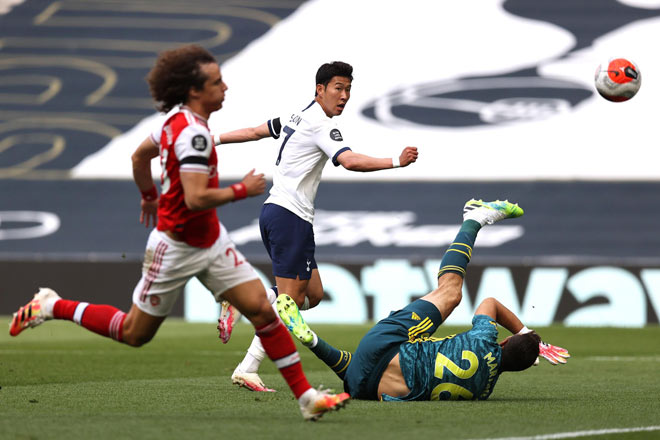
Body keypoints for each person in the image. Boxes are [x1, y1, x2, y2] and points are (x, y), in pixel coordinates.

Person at [8, 44, 349, 421]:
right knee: (133, 332)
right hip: (176, 245)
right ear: (194, 91)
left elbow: (139, 156)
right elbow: (196, 197)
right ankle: (52, 305)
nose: (226, 87)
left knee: (267, 314)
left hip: (212, 242)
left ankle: (307, 399)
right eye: (217, 82)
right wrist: (242, 190)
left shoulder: (176, 123)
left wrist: (148, 196)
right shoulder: (193, 135)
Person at [212, 61, 419, 391]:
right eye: (338, 88)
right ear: (319, 89)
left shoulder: (298, 115)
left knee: (314, 295)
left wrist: (214, 139)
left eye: (349, 89)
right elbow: (349, 161)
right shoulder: (321, 125)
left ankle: (241, 300)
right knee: (289, 306)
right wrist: (396, 161)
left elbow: (254, 132)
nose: (345, 96)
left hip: (277, 214)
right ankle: (247, 367)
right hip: (289, 217)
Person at [276, 199, 570, 401]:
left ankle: (474, 219)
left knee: (451, 293)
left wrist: (526, 334)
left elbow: (490, 303)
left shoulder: (486, 338)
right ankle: (313, 341)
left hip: (388, 345)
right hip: (370, 388)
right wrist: (526, 350)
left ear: (503, 342)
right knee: (360, 372)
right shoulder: (483, 391)